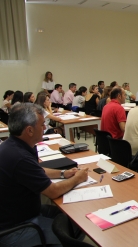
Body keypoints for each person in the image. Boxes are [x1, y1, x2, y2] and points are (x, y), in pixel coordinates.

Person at [0, 103, 88, 246]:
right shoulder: (19, 157)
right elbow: (53, 192)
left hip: (20, 213)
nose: (45, 128)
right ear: (29, 130)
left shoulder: (13, 145)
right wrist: (78, 178)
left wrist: (63, 173)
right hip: (16, 229)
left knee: (71, 217)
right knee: (74, 230)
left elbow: (37, 170)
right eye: (42, 125)